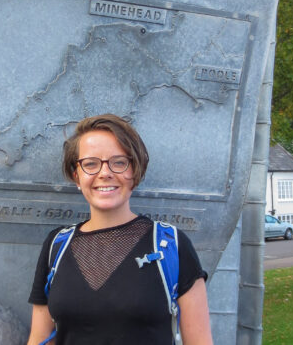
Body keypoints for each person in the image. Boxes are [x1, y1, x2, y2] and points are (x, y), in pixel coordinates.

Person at [27, 114, 213, 345]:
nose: (105, 173)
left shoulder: (171, 244)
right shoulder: (56, 246)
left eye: (118, 162)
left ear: (134, 172)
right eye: (91, 164)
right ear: (77, 175)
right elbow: (40, 339)